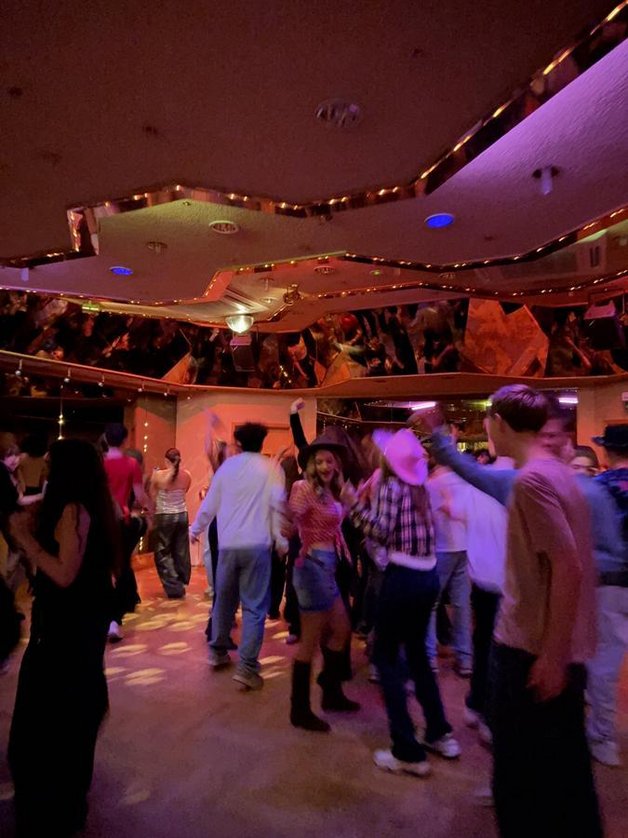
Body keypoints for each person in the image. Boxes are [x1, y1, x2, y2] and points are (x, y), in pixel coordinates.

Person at [484, 385, 601, 838]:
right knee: (565, 775)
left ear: (498, 423)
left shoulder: (531, 480)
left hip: (529, 648)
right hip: (559, 645)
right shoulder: (558, 471)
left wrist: (552, 655)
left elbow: (567, 565)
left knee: (520, 781)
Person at [7, 439, 120, 836]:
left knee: (45, 721)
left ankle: (51, 810)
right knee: (68, 715)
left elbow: (64, 574)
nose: (46, 472)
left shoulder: (73, 510)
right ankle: (66, 804)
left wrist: (26, 540)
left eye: (52, 467)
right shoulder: (92, 506)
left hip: (65, 629)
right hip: (80, 625)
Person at [345, 428, 461, 777]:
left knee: (385, 657)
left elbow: (380, 531)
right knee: (417, 656)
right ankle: (439, 732)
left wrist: (353, 505)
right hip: (428, 577)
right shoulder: (422, 488)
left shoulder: (390, 487)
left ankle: (407, 750)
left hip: (403, 577)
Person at [190, 422, 287, 690]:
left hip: (228, 546)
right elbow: (277, 506)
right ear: (262, 442)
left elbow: (210, 504)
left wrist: (195, 528)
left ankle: (217, 652)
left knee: (224, 601)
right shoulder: (271, 469)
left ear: (240, 443)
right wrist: (281, 540)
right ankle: (247, 668)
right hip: (257, 546)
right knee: (254, 607)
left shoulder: (227, 468)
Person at [287, 434, 360, 733]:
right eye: (319, 461)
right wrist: (285, 521)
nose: (325, 466)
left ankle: (331, 692)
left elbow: (342, 520)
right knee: (310, 640)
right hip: (312, 567)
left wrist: (350, 500)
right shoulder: (303, 488)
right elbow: (293, 515)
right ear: (311, 465)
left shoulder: (334, 491)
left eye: (329, 461)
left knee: (341, 630)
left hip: (328, 567)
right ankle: (300, 710)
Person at [587, 426, 628, 767]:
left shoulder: (597, 487)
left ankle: (603, 737)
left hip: (610, 582)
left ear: (607, 451)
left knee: (604, 662)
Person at [103, 423, 152, 642]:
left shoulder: (99, 463)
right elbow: (140, 496)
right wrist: (151, 510)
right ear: (125, 441)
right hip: (121, 520)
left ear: (106, 439)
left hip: (100, 521)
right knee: (120, 567)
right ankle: (115, 620)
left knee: (103, 569)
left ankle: (104, 617)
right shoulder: (131, 464)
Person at [425, 463, 473, 676]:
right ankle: (465, 658)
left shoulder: (431, 484)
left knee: (430, 604)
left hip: (441, 548)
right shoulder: (466, 481)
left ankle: (430, 658)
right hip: (464, 547)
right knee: (461, 604)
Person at [149, 448, 192, 599]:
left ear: (166, 460)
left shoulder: (158, 475)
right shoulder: (187, 475)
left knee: (162, 551)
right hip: (182, 514)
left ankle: (174, 586)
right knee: (181, 550)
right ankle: (181, 580)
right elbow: (185, 491)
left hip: (164, 516)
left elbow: (152, 494)